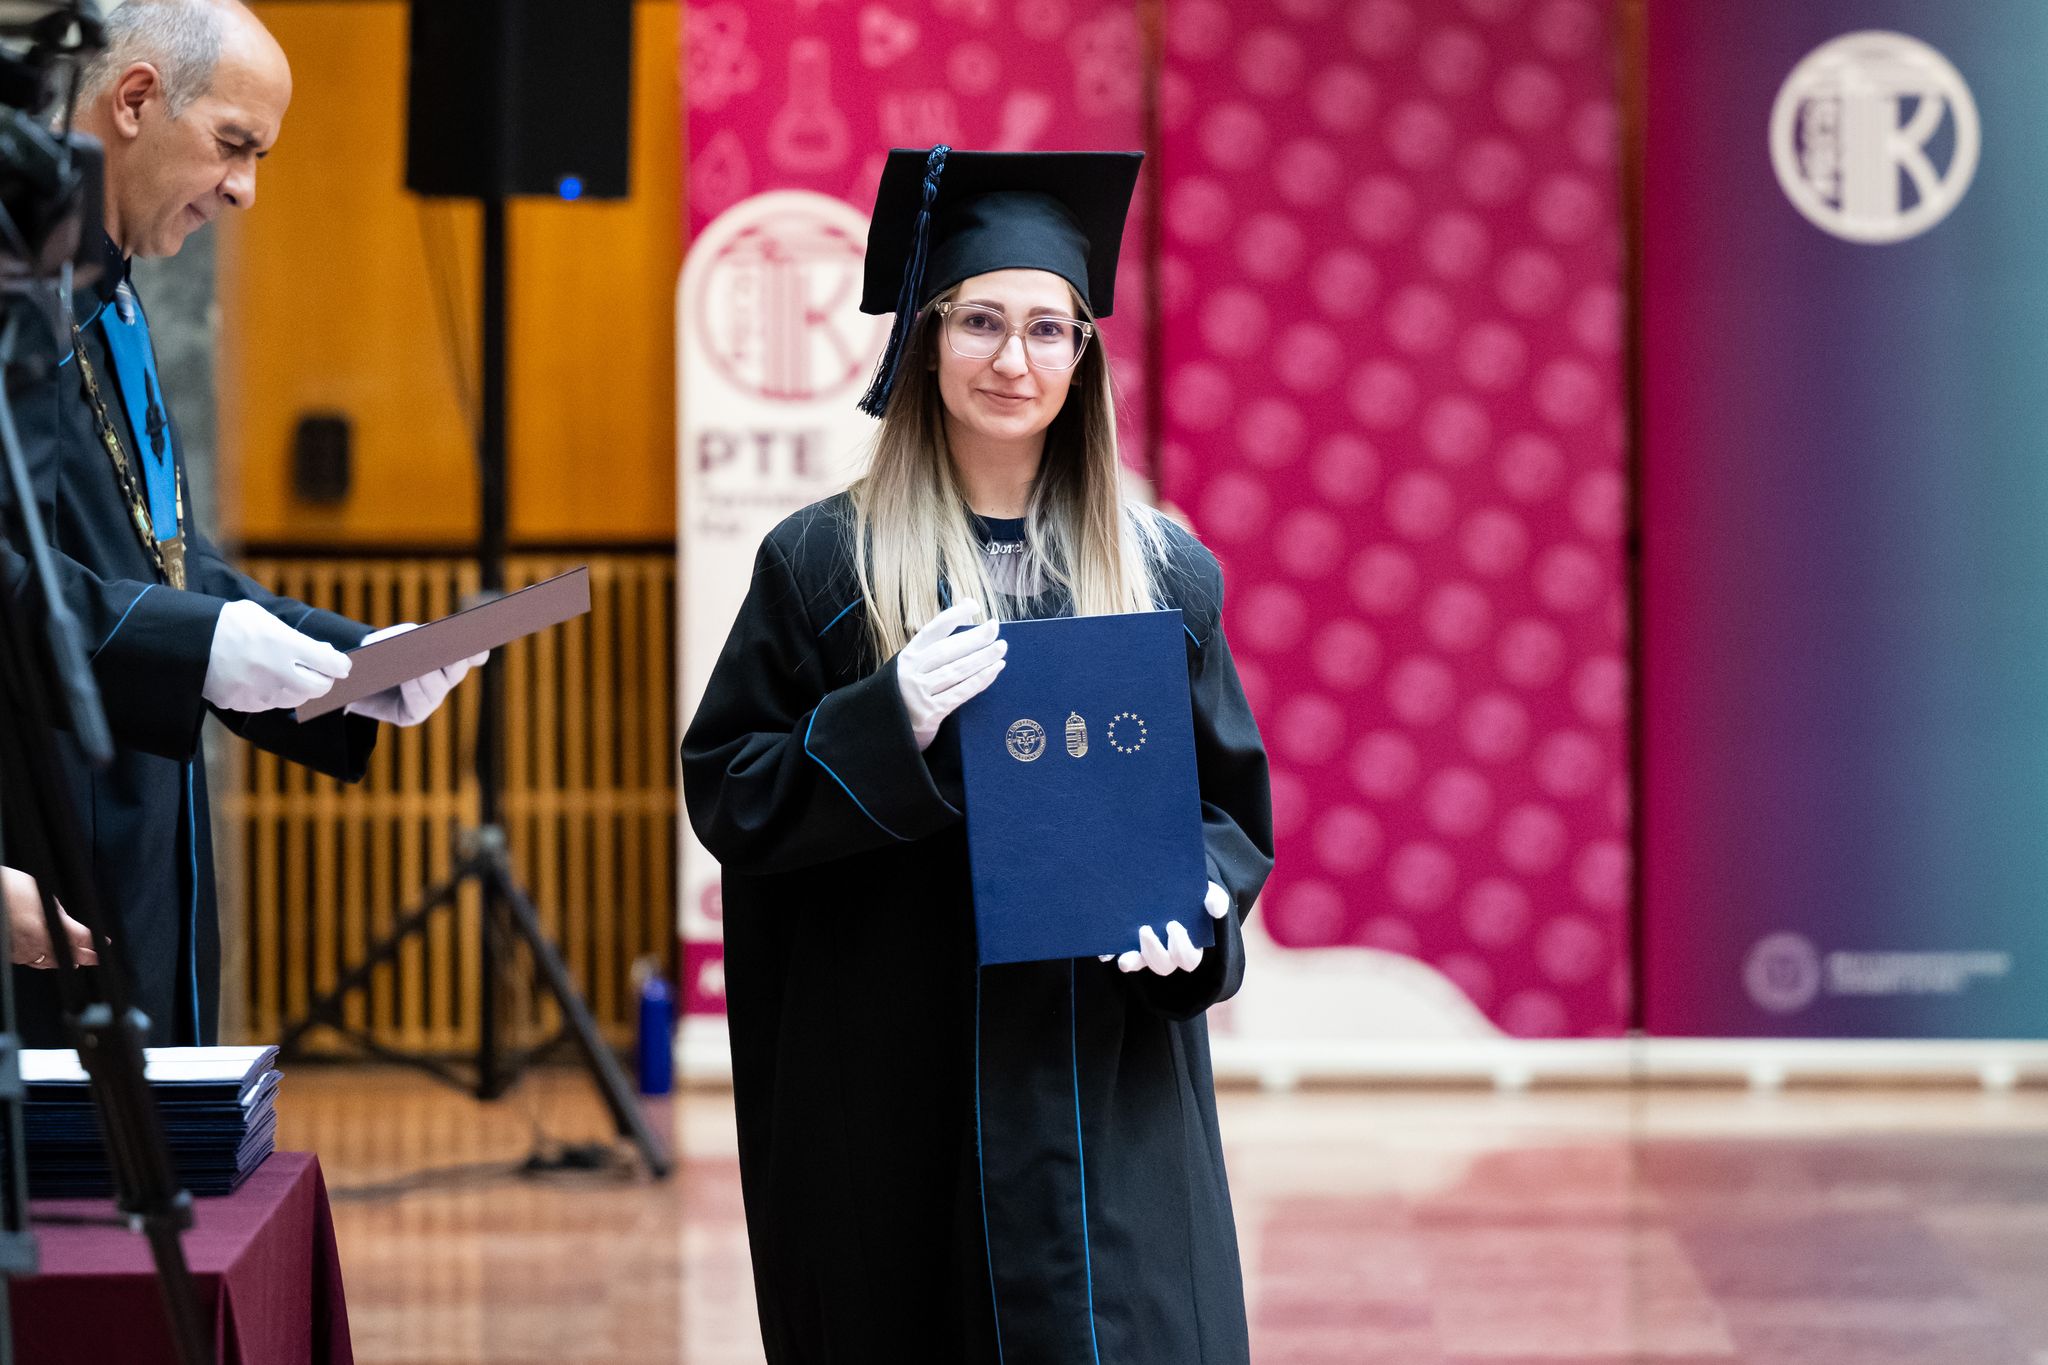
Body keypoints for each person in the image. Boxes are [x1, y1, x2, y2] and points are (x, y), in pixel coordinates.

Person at [682, 147, 1275, 1365]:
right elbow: (729, 789)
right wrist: (882, 721)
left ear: (1083, 356)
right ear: (924, 342)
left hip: (1102, 1075)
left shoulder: (1161, 572)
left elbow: (1225, 812)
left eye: (1047, 329)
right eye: (980, 323)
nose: (1014, 359)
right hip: (902, 1076)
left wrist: (1197, 907)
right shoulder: (825, 565)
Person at [0, 0, 480, 1047]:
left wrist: (351, 661)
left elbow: (162, 556)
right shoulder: (18, 282)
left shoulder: (109, 294)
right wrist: (198, 645)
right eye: (232, 144)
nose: (244, 189)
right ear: (136, 99)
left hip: (140, 835)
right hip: (35, 836)